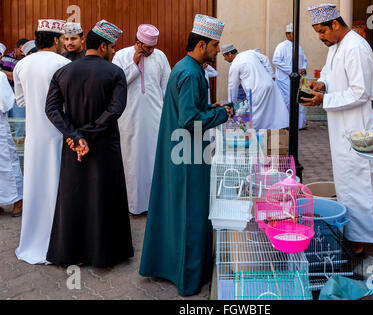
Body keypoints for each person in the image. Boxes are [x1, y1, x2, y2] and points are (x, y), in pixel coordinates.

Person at [139, 14, 233, 296]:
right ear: (202, 44)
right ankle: (189, 279)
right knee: (191, 213)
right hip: (189, 153)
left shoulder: (184, 66)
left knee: (175, 210)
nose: (218, 51)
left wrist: (209, 108)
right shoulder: (192, 72)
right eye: (215, 46)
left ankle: (172, 266)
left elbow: (189, 110)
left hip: (178, 149)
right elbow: (190, 119)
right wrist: (221, 113)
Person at [303, 4, 373, 255]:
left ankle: (361, 238)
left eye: (322, 31)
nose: (320, 37)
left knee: (360, 184)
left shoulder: (355, 46)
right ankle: (359, 233)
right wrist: (320, 84)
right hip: (342, 128)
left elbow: (360, 92)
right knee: (349, 183)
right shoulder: (336, 46)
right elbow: (332, 77)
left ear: (335, 24)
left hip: (358, 128)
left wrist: (324, 100)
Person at [45, 20, 134, 268]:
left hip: (74, 146)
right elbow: (115, 109)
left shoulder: (63, 72)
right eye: (113, 47)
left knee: (74, 196)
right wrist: (88, 133)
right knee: (105, 195)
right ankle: (105, 253)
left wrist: (75, 135)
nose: (115, 52)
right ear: (104, 46)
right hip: (104, 144)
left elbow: (51, 109)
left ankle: (73, 254)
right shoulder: (115, 73)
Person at [14, 19, 70, 264]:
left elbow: (21, 102)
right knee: (60, 187)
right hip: (60, 135)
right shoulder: (64, 64)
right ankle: (60, 243)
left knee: (36, 186)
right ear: (57, 39)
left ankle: (34, 241)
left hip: (35, 138)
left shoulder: (21, 65)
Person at [112, 24, 171, 216]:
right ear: (137, 43)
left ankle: (155, 205)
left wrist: (167, 114)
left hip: (155, 116)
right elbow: (116, 86)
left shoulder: (160, 56)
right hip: (129, 118)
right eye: (147, 48)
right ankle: (134, 206)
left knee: (155, 159)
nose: (151, 51)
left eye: (153, 47)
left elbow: (166, 87)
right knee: (132, 161)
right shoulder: (121, 56)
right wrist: (134, 64)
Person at [223, 45, 289, 130]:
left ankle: (253, 135)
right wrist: (271, 75)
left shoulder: (235, 65)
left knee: (255, 116)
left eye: (224, 56)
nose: (224, 59)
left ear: (229, 54)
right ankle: (274, 131)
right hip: (270, 85)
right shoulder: (250, 53)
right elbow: (265, 59)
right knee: (272, 111)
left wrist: (231, 103)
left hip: (257, 90)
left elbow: (232, 86)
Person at [273, 23, 309, 130]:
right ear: (288, 35)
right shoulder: (281, 46)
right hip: (285, 80)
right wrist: (292, 70)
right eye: (294, 34)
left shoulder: (299, 47)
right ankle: (286, 124)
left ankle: (299, 124)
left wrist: (303, 68)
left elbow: (304, 60)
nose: (296, 36)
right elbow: (276, 60)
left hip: (299, 80)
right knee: (287, 101)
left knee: (300, 99)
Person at [0, 71, 23, 217]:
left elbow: (7, 103)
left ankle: (18, 201)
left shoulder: (1, 76)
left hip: (0, 128)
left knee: (7, 162)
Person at [1, 39, 28, 140]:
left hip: (19, 94)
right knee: (5, 122)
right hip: (5, 93)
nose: (22, 53)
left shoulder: (26, 61)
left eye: (24, 51)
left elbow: (18, 78)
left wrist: (4, 73)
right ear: (15, 49)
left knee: (19, 122)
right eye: (20, 50)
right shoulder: (4, 58)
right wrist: (12, 76)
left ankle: (18, 142)